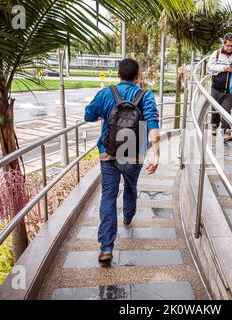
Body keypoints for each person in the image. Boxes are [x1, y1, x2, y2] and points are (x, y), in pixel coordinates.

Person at [84, 58, 160, 265]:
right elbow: (152, 122)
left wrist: (102, 110)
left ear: (118, 75)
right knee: (130, 185)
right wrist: (156, 153)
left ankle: (106, 247)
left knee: (108, 195)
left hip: (108, 153)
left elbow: (88, 115)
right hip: (135, 153)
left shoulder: (106, 93)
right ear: (137, 76)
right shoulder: (146, 95)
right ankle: (128, 215)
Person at [207, 33, 232, 142]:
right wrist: (223, 68)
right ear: (224, 43)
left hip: (231, 90)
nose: (230, 48)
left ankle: (226, 132)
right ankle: (214, 125)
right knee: (215, 109)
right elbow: (209, 67)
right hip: (216, 88)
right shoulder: (217, 53)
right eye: (228, 45)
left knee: (226, 110)